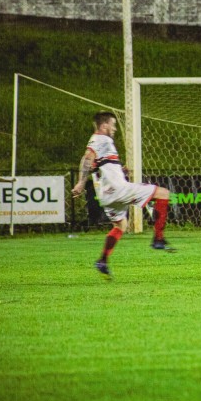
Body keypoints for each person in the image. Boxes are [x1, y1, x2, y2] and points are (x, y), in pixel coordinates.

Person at [71, 111, 175, 278]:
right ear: (104, 125)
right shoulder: (101, 139)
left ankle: (102, 261)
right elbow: (87, 158)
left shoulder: (102, 143)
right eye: (112, 125)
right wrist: (81, 182)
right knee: (164, 194)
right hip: (118, 189)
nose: (114, 128)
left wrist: (121, 170)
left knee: (120, 226)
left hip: (106, 195)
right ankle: (158, 239)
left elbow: (100, 165)